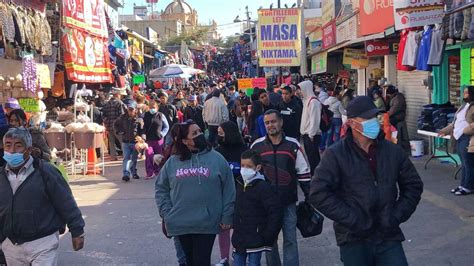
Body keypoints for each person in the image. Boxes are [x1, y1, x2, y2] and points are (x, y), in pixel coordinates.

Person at [309, 96, 423, 266]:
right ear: (353, 124)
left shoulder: (392, 151)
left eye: (375, 117)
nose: (374, 122)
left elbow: (413, 185)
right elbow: (318, 193)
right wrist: (352, 219)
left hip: (387, 234)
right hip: (353, 237)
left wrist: (395, 216)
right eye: (368, 118)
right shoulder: (336, 155)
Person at [155, 120, 235, 266]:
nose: (200, 135)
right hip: (181, 223)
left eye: (199, 131)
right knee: (189, 261)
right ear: (185, 141)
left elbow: (229, 189)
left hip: (207, 222)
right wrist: (166, 213)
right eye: (194, 133)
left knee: (201, 261)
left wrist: (227, 216)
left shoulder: (217, 159)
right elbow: (161, 188)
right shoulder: (173, 162)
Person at [0, 128, 85, 265]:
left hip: (43, 242)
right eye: (8, 145)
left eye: (18, 145)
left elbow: (65, 202)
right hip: (11, 244)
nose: (12, 150)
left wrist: (77, 230)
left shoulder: (46, 172)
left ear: (28, 149)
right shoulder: (2, 176)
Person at [251, 110, 311, 266]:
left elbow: (303, 173)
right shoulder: (256, 147)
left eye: (273, 121)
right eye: (267, 123)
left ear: (281, 122)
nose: (270, 125)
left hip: (288, 202)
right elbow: (249, 176)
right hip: (266, 206)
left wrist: (310, 197)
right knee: (270, 242)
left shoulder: (293, 145)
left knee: (290, 239)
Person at [232, 150, 283, 266]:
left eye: (249, 166)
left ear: (258, 167)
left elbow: (275, 211)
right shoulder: (239, 183)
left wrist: (268, 234)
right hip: (239, 237)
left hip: (256, 237)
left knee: (254, 263)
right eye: (242, 165)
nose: (244, 169)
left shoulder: (263, 187)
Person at [215, 121, 248, 266]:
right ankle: (224, 259)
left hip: (242, 194)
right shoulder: (217, 152)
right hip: (222, 196)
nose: (219, 135)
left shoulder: (244, 150)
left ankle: (238, 255)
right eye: (218, 133)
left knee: (240, 229)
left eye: (222, 132)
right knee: (224, 227)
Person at [439, 86, 474, 195]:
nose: (464, 94)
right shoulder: (464, 106)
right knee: (463, 163)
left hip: (467, 137)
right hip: (458, 137)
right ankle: (463, 185)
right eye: (464, 92)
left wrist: (466, 130)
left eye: (466, 93)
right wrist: (445, 130)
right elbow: (455, 122)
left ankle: (469, 187)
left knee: (469, 163)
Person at [114, 101, 144, 182]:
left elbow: (142, 130)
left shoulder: (139, 119)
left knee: (133, 159)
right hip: (125, 142)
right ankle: (126, 174)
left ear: (135, 110)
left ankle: (134, 172)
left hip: (135, 142)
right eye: (129, 109)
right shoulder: (122, 117)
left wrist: (142, 139)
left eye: (132, 109)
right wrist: (120, 131)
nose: (130, 111)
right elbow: (115, 124)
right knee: (126, 158)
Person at [299, 80, 322, 176]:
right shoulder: (306, 101)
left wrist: (311, 135)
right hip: (306, 134)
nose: (299, 91)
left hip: (311, 135)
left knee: (313, 158)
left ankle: (317, 176)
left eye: (300, 89)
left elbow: (315, 120)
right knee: (311, 157)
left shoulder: (313, 102)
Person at [143, 99, 169, 179]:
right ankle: (149, 173)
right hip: (148, 140)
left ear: (157, 108)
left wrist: (162, 134)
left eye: (153, 107)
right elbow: (142, 126)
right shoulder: (145, 115)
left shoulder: (161, 115)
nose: (152, 109)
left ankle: (158, 171)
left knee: (159, 156)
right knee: (149, 155)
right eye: (150, 107)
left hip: (158, 140)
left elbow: (166, 126)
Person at [385, 85, 410, 152]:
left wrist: (386, 115)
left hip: (398, 117)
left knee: (388, 124)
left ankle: (393, 142)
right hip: (394, 116)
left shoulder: (398, 98)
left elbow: (394, 110)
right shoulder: (394, 97)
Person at [102, 89, 125, 161]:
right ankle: (125, 155)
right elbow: (122, 115)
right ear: (118, 95)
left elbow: (103, 115)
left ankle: (113, 156)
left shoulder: (106, 104)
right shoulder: (119, 103)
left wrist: (106, 122)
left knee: (111, 142)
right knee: (122, 141)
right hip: (117, 126)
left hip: (109, 125)